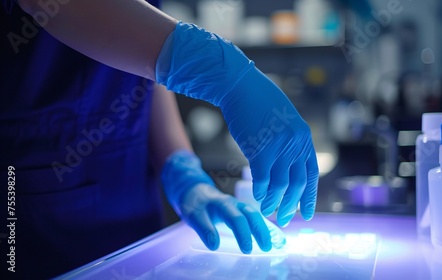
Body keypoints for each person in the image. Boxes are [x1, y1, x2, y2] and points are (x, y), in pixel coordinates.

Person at [0, 0, 319, 278]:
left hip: (134, 206)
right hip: (37, 197)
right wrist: (226, 75)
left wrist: (183, 169)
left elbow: (142, 67)